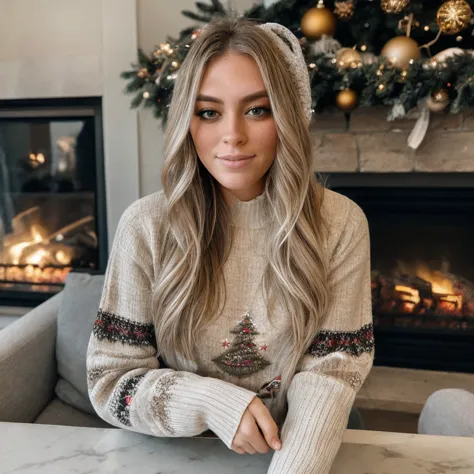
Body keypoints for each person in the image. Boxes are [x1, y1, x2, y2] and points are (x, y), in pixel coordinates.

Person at [86, 14, 374, 474]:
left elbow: (332, 373)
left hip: (294, 449)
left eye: (257, 109)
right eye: (209, 112)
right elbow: (109, 383)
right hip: (170, 453)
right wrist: (212, 402)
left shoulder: (340, 223)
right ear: (187, 120)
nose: (232, 135)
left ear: (289, 117)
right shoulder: (145, 225)